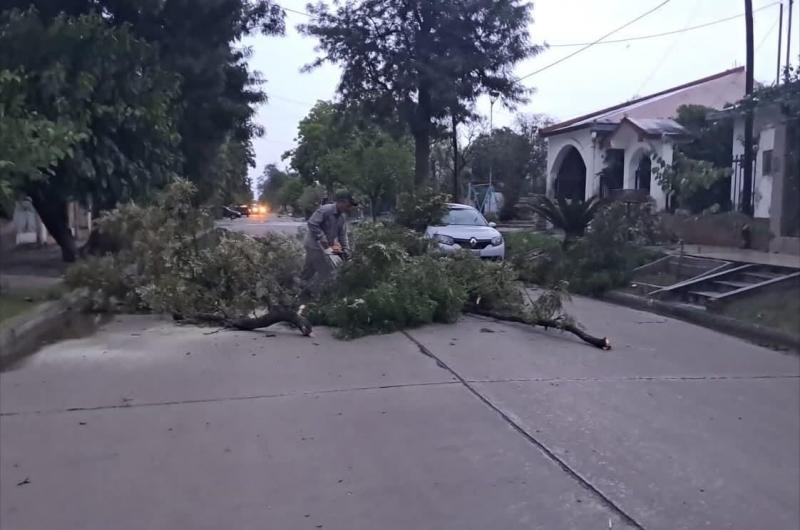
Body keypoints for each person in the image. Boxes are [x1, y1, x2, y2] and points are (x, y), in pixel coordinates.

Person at [301, 190, 357, 287]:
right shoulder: (326, 210)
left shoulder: (342, 217)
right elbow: (312, 223)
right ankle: (312, 290)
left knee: (309, 270)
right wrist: (321, 237)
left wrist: (346, 250)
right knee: (325, 270)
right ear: (341, 202)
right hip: (314, 245)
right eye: (348, 205)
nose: (349, 208)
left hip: (325, 248)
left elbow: (343, 235)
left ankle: (299, 286)